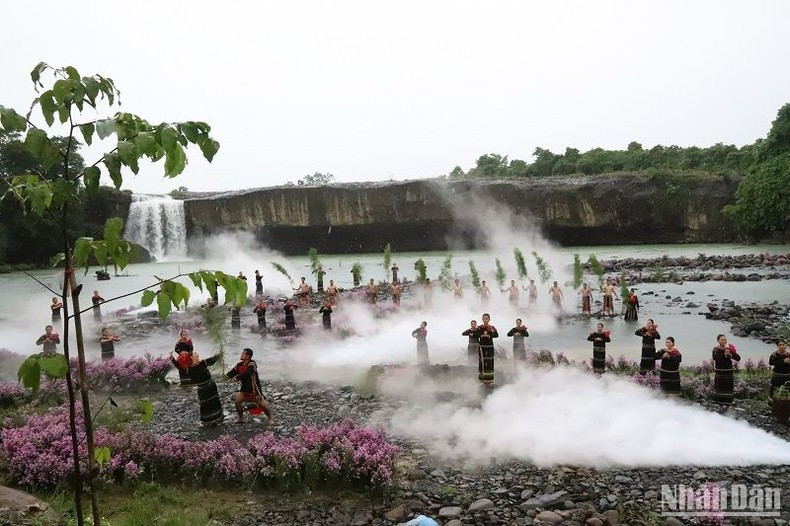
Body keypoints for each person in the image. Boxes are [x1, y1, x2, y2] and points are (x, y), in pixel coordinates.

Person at [171, 350, 225, 426]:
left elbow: (212, 360)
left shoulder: (196, 366)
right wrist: (172, 359)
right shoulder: (193, 367)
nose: (198, 355)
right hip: (205, 388)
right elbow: (179, 366)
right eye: (195, 354)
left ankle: (215, 418)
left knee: (212, 402)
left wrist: (220, 354)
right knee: (208, 403)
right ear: (191, 357)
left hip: (207, 387)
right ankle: (210, 420)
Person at [226, 348, 273, 425]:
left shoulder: (252, 364)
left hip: (254, 389)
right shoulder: (239, 365)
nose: (241, 355)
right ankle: (241, 418)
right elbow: (231, 373)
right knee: (237, 402)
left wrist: (236, 378)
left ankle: (271, 419)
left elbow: (247, 373)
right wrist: (224, 377)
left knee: (263, 405)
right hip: (244, 389)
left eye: (243, 354)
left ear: (248, 356)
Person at [712, 334, 741, 406]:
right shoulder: (715, 350)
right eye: (722, 339)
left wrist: (731, 355)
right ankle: (719, 403)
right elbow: (716, 358)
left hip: (728, 372)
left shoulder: (729, 349)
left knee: (728, 387)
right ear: (718, 341)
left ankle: (728, 403)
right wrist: (725, 355)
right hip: (720, 372)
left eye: (725, 339)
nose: (724, 341)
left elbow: (738, 358)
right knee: (720, 387)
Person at [478, 313, 499, 386]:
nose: (485, 320)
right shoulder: (480, 327)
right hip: (482, 347)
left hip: (490, 346)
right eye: (484, 318)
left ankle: (489, 381)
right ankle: (482, 380)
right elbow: (476, 334)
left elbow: (496, 335)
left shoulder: (492, 327)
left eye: (487, 318)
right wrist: (482, 335)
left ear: (489, 319)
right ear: (482, 319)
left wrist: (490, 335)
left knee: (489, 362)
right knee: (482, 362)